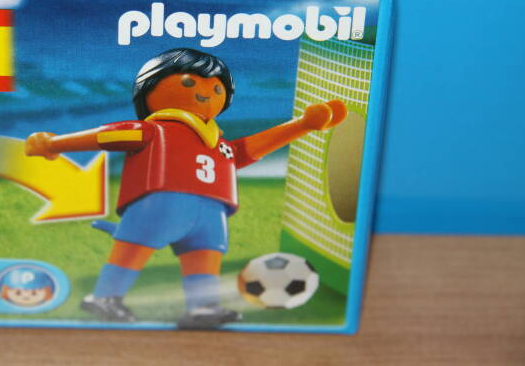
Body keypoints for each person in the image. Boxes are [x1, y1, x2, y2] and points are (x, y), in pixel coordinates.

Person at [25, 48, 346, 329]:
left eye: (217, 88)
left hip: (213, 209)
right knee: (135, 247)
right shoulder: (155, 130)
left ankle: (202, 307)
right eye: (190, 83)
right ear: (149, 89)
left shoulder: (218, 142)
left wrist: (302, 125)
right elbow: (105, 136)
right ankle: (105, 298)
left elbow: (248, 150)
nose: (206, 92)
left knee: (205, 255)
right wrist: (53, 144)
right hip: (160, 200)